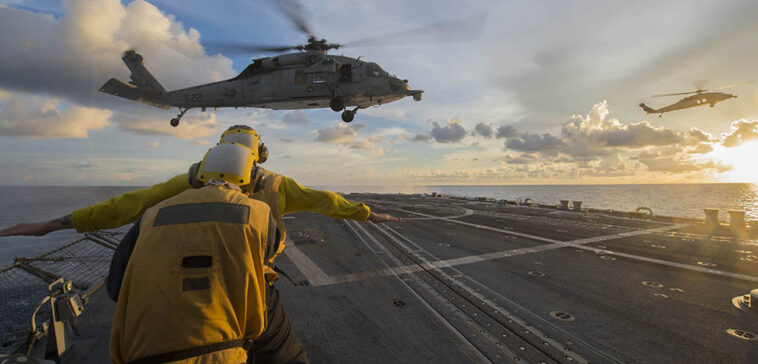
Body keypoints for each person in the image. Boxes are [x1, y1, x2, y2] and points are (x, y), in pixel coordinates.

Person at [0, 125, 402, 363]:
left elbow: (126, 207)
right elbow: (326, 200)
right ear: (258, 154)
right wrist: (368, 214)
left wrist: (54, 224)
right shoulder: (278, 184)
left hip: (169, 292)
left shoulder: (189, 181)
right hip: (251, 290)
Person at [110, 142, 272, 364]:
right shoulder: (259, 212)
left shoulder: (151, 213)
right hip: (223, 353)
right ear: (252, 177)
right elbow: (264, 259)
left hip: (140, 353)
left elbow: (115, 286)